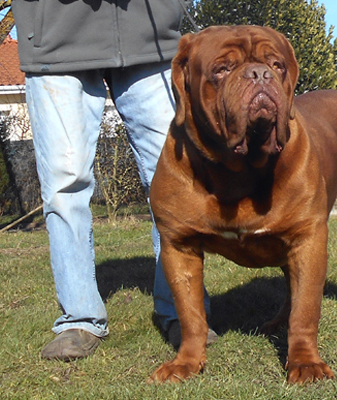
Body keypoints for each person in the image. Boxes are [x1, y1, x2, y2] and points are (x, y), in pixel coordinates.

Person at [11, 0, 216, 360]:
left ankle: (184, 312)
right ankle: (79, 318)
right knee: (64, 183)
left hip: (149, 34)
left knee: (173, 176)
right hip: (55, 35)